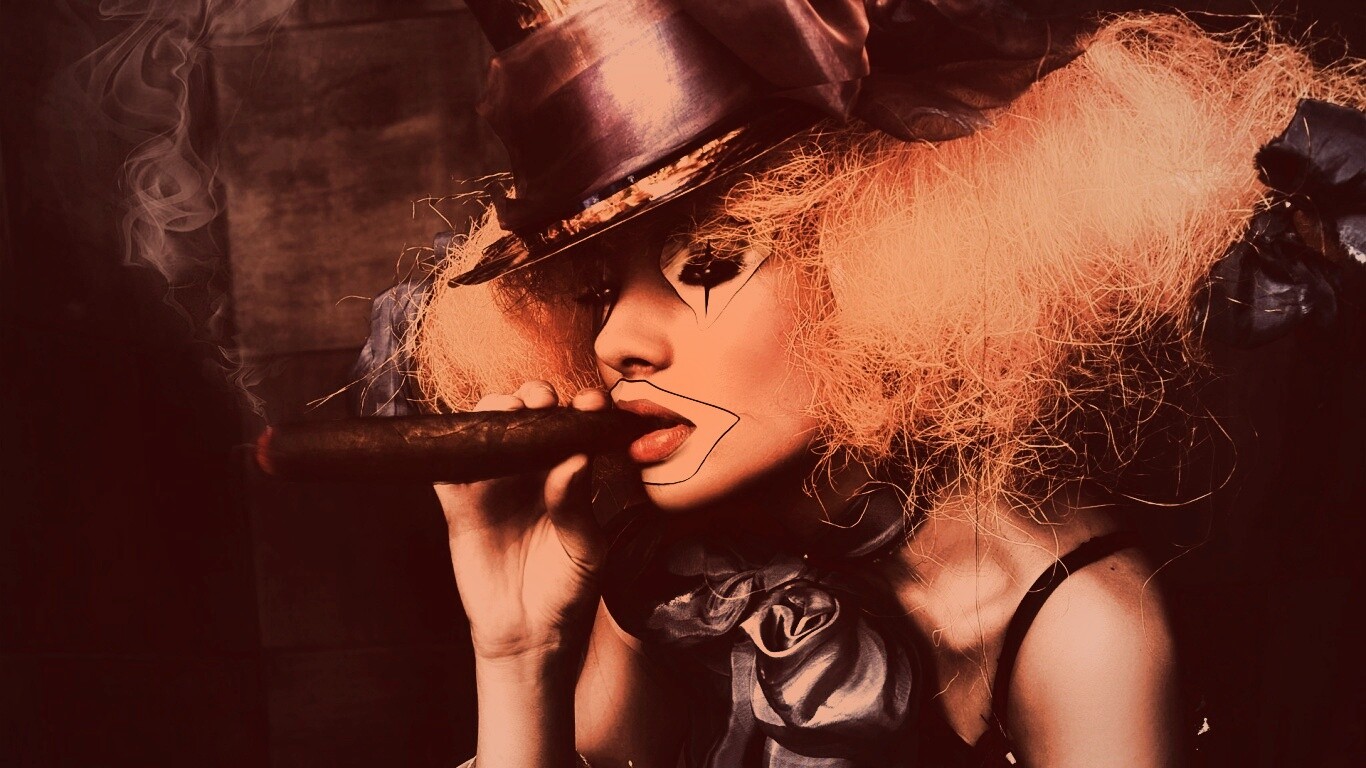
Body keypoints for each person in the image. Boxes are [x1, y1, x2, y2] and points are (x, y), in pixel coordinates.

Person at [369, 2, 1365, 766]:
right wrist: (515, 652)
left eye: (708, 263)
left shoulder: (1077, 627)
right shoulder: (669, 575)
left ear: (878, 252)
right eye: (594, 292)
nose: (618, 340)